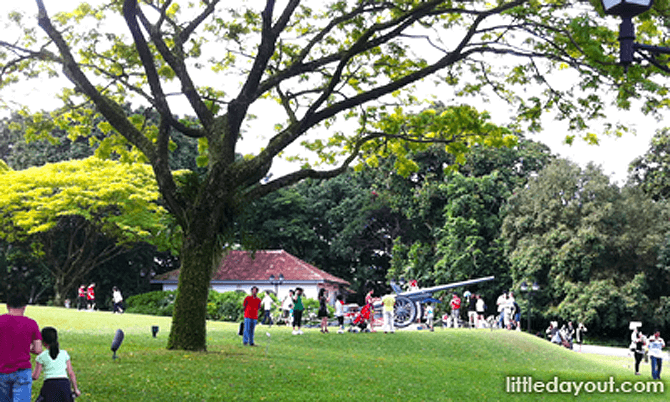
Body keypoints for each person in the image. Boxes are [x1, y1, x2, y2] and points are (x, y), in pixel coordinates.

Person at [0, 293, 43, 402]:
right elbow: (38, 350)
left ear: (7, 306)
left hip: (2, 370)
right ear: (24, 307)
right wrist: (26, 347)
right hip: (22, 371)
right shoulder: (31, 323)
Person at [32, 327, 81, 401]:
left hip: (49, 385)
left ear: (43, 341)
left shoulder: (41, 356)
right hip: (65, 385)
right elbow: (71, 373)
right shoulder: (64, 354)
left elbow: (35, 376)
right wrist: (76, 389)